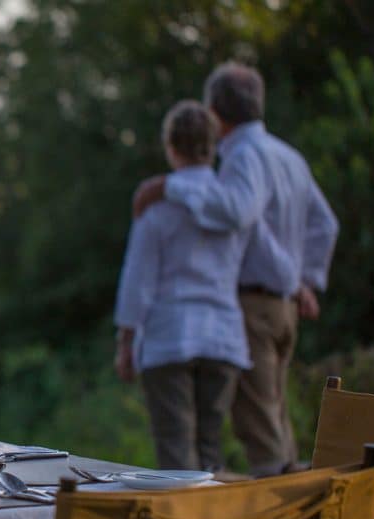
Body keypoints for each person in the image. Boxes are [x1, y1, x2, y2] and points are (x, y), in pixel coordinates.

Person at [132, 62, 339, 476]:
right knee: (276, 419)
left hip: (252, 307)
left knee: (260, 430)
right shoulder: (288, 156)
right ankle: (300, 518)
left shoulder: (244, 157)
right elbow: (325, 224)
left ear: (214, 112)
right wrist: (305, 281)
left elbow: (236, 212)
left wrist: (167, 187)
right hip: (283, 307)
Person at [114, 100, 255, 471]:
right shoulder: (235, 206)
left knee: (175, 448)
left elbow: (138, 279)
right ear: (212, 147)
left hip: (169, 335)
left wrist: (126, 341)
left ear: (170, 147)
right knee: (210, 448)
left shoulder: (155, 208)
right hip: (223, 335)